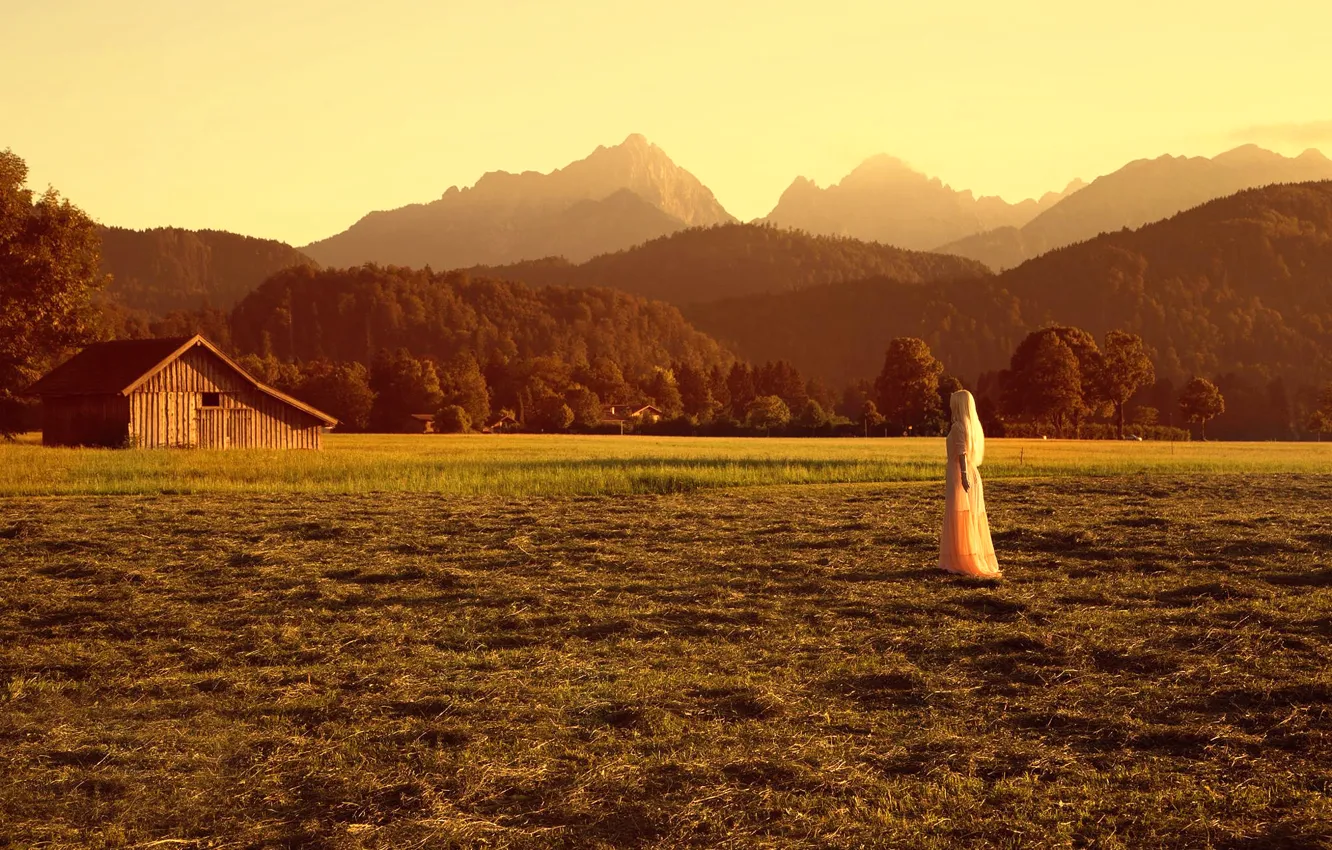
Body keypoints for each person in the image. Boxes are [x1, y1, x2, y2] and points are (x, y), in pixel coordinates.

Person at [939, 389, 1000, 577]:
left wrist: (963, 476)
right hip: (971, 473)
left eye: (952, 403)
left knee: (960, 514)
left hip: (960, 474)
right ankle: (966, 556)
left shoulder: (958, 427)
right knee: (969, 515)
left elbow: (962, 454)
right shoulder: (971, 426)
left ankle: (961, 559)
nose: (949, 406)